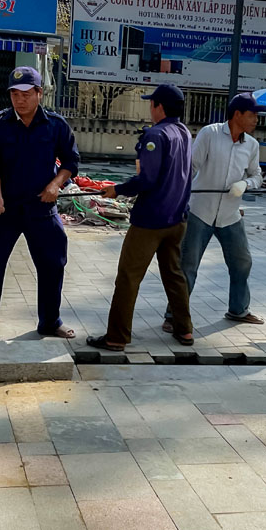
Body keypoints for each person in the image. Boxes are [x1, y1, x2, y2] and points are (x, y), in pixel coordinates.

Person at [87, 84, 194, 350]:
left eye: (151, 103)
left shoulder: (156, 135)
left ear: (159, 106)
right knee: (174, 275)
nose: (150, 108)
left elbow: (147, 179)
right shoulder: (184, 132)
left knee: (128, 277)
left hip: (150, 221)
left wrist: (117, 190)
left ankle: (116, 337)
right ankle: (184, 329)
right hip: (177, 218)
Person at [0, 67, 80, 339]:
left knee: (53, 264)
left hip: (41, 207)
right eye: (14, 94)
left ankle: (50, 322)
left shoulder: (56, 125)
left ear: (39, 93)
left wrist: (55, 184)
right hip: (5, 209)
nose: (19, 100)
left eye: (25, 94)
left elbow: (71, 161)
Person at [163, 92, 266, 334]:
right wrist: (176, 195)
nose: (256, 120)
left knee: (242, 262)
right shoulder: (209, 134)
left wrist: (245, 184)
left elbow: (257, 175)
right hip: (200, 211)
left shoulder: (252, 145)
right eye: (252, 115)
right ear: (237, 114)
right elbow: (190, 166)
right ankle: (174, 315)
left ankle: (238, 310)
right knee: (188, 266)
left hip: (230, 215)